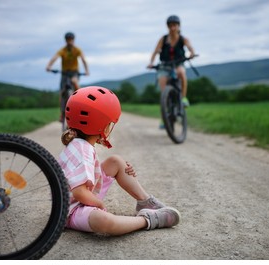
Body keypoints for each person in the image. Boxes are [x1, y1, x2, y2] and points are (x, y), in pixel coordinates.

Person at [58, 86, 181, 235]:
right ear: (101, 126)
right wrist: (99, 205)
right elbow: (79, 193)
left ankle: (144, 201)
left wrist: (123, 169)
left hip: (82, 196)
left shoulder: (79, 144)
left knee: (115, 161)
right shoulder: (83, 150)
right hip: (72, 210)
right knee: (104, 221)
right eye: (109, 123)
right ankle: (147, 219)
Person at [147, 15, 196, 109]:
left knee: (182, 72)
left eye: (174, 25)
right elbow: (155, 51)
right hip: (165, 65)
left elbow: (190, 48)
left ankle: (183, 98)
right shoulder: (163, 39)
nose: (172, 28)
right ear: (167, 27)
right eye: (170, 25)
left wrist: (192, 53)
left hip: (178, 64)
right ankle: (165, 116)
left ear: (178, 26)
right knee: (162, 87)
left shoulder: (183, 39)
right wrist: (151, 62)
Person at [46, 32, 90, 121]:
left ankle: (81, 101)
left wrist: (86, 70)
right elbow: (54, 58)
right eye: (68, 40)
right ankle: (62, 114)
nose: (69, 41)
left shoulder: (77, 50)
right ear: (65, 40)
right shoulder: (63, 50)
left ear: (73, 40)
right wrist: (49, 66)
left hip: (74, 72)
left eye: (71, 39)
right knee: (62, 92)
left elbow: (83, 59)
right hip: (64, 73)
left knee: (74, 81)